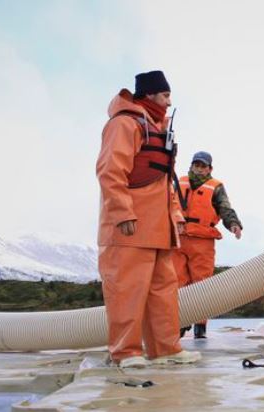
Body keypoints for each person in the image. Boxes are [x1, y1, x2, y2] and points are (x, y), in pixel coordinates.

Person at [97, 70, 201, 368]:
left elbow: (164, 181)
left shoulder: (158, 128)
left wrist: (175, 215)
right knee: (126, 291)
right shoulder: (123, 124)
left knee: (163, 293)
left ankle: (165, 350)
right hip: (129, 227)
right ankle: (125, 352)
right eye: (166, 95)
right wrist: (121, 212)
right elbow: (110, 171)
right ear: (151, 95)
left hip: (159, 228)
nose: (169, 102)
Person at [173, 151, 243, 339]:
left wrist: (234, 225)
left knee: (202, 285)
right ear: (191, 165)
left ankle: (200, 327)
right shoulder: (178, 182)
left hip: (202, 242)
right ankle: (180, 323)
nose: (199, 168)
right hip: (177, 239)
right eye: (196, 165)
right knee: (176, 283)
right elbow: (165, 204)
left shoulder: (216, 187)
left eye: (203, 166)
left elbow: (225, 208)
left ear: (209, 169)